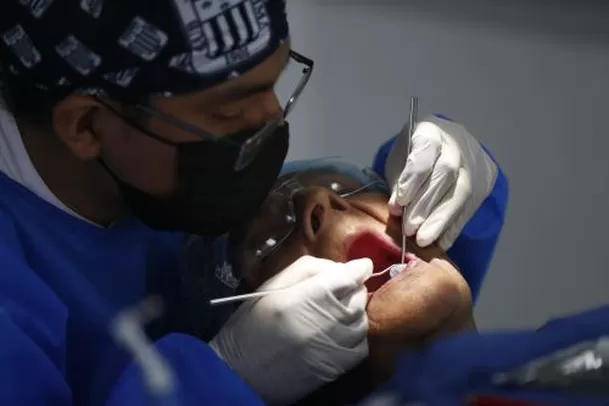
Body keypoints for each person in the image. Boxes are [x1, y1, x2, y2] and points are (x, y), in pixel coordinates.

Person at [0, 1, 504, 405]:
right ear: (86, 125)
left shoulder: (173, 175)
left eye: (276, 84)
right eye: (232, 109)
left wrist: (442, 177)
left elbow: (417, 299)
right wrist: (219, 380)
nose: (270, 122)